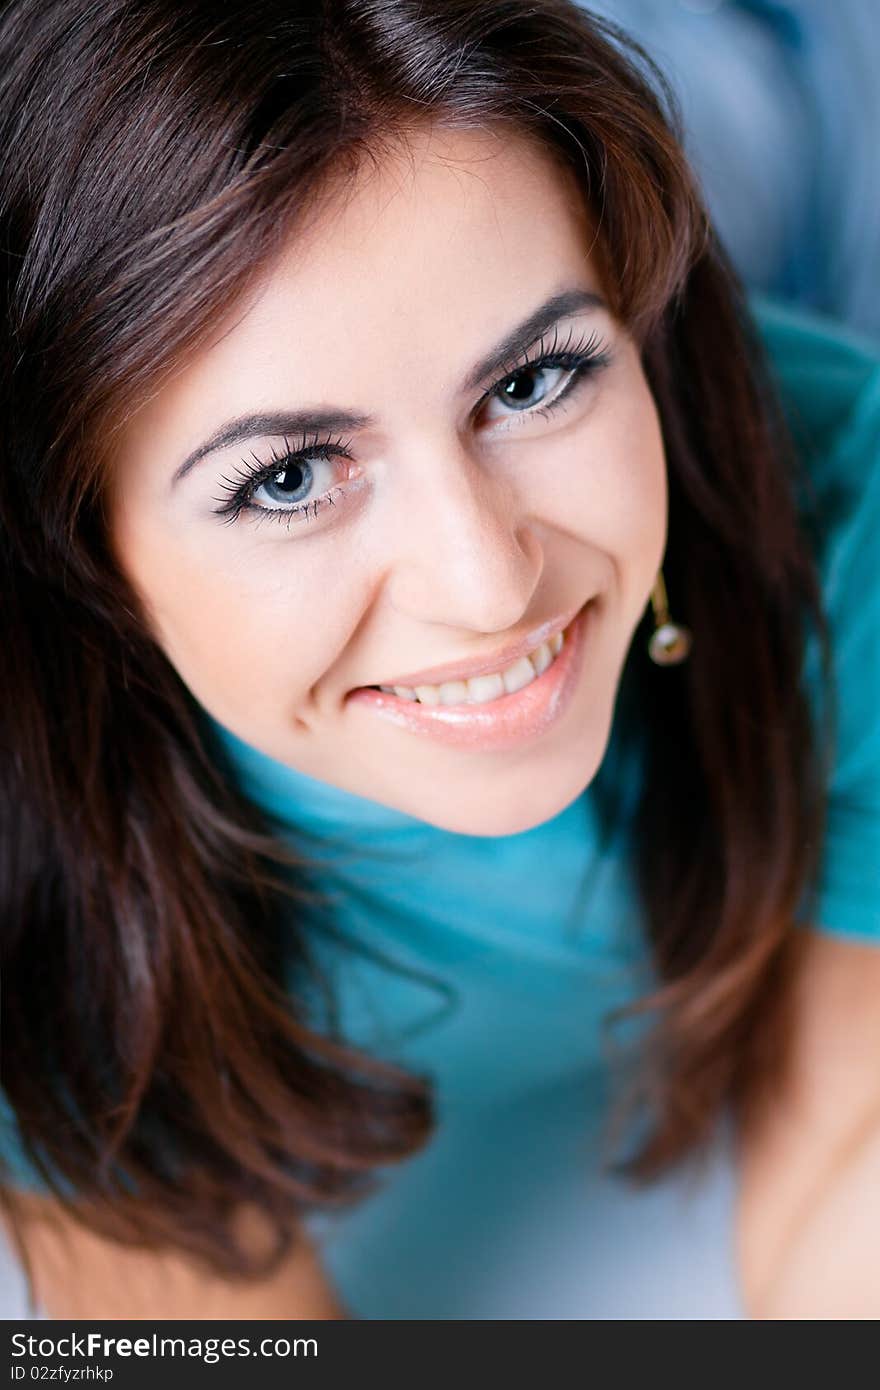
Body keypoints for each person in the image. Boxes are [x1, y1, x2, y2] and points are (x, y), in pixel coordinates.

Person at [1, 0, 878, 1320]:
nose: (489, 586)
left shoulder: (839, 495)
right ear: (76, 545)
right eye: (289, 476)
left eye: (532, 382)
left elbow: (844, 1173)